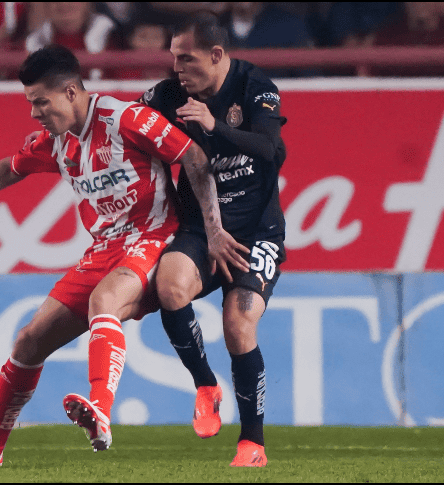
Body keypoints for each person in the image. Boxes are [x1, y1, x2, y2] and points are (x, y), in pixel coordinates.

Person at [0, 44, 249, 467]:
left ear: (71, 92)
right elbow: (6, 170)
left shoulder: (126, 119)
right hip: (104, 249)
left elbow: (193, 155)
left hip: (152, 237)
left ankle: (101, 410)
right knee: (28, 342)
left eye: (41, 102)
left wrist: (213, 230)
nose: (34, 113)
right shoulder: (57, 142)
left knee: (104, 300)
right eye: (31, 103)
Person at [140, 12, 287, 467]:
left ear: (217, 54)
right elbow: (124, 122)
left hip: (255, 235)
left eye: (186, 59)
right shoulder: (168, 96)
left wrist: (213, 126)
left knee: (238, 326)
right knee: (169, 286)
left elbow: (270, 149)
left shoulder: (254, 86)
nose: (177, 68)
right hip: (200, 229)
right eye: (173, 58)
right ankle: (205, 383)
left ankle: (252, 443)